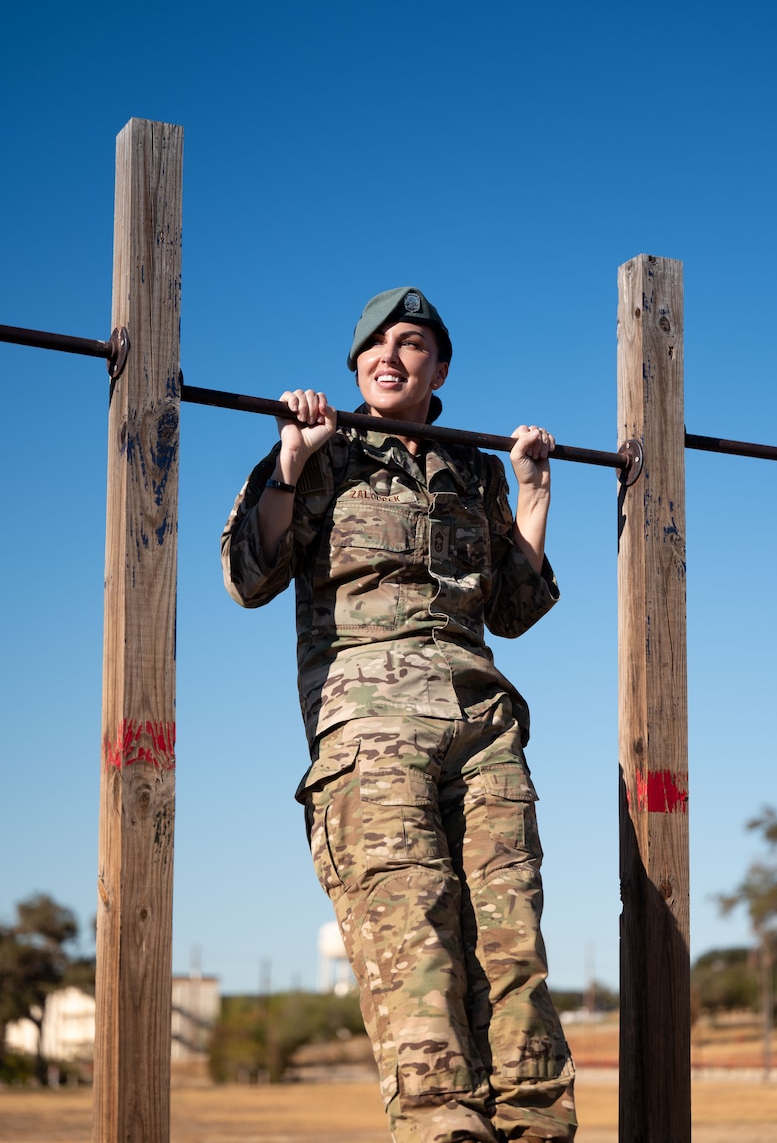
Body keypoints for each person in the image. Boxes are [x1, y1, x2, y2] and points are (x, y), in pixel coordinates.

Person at [221, 287, 577, 1143]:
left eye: (411, 343)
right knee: (414, 937)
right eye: (374, 346)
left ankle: (535, 1130)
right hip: (372, 726)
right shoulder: (323, 452)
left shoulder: (474, 468)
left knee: (511, 942)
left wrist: (532, 497)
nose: (390, 356)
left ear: (439, 367)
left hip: (484, 724)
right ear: (356, 368)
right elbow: (249, 576)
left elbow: (516, 609)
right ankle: (442, 1130)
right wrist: (290, 460)